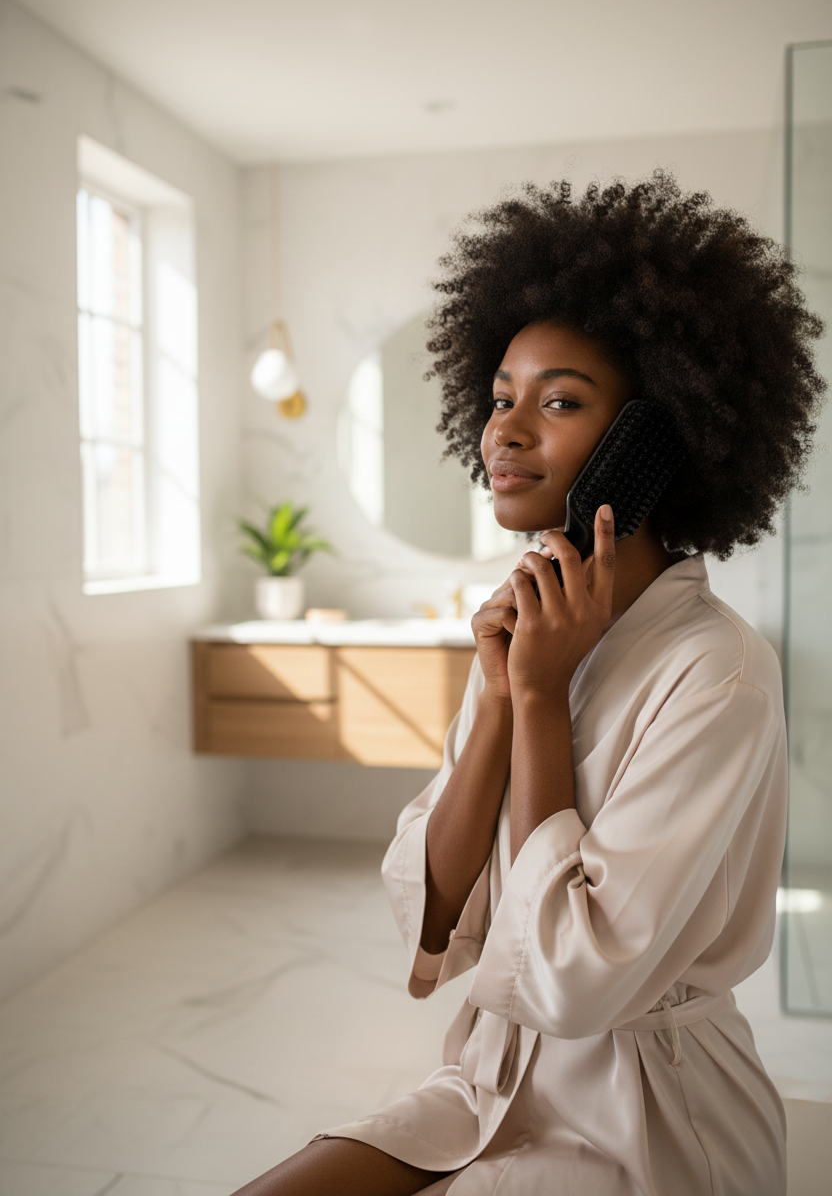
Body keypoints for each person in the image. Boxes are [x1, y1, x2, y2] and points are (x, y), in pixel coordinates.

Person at [232, 172, 825, 1196]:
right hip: (484, 1077)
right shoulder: (525, 627)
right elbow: (435, 906)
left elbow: (575, 978)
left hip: (646, 1119)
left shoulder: (717, 672)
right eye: (500, 397)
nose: (504, 430)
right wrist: (504, 695)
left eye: (558, 402)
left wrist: (543, 702)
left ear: (655, 436)